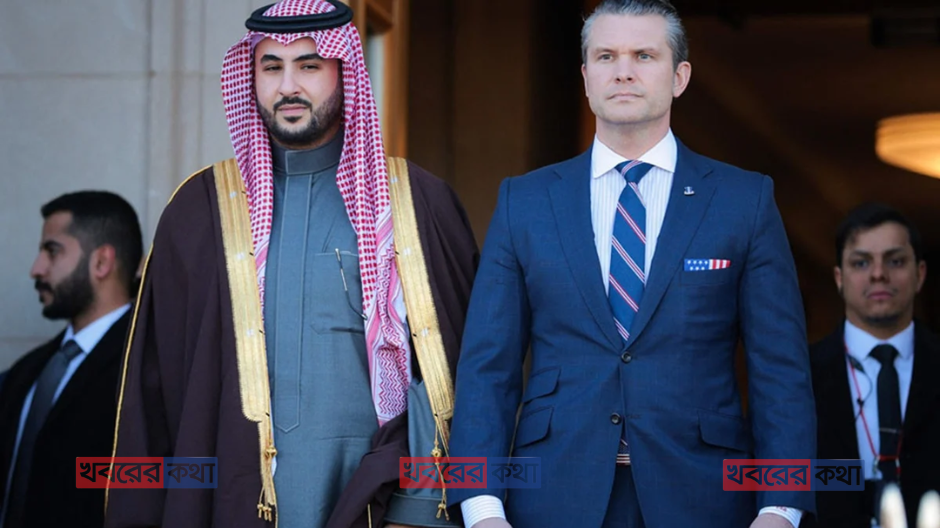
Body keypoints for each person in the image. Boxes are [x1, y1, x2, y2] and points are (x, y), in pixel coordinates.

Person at [104, 1, 479, 527]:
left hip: (374, 504)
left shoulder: (415, 204)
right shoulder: (199, 211)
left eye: (308, 65)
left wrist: (418, 509)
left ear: (344, 71)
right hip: (231, 502)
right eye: (271, 67)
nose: (288, 87)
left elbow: (458, 375)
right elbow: (157, 392)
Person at [446, 1, 816, 527]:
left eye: (644, 55)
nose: (623, 71)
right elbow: (488, 367)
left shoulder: (744, 201)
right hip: (552, 498)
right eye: (606, 56)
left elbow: (780, 370)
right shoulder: (524, 201)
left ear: (679, 77)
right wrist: (481, 507)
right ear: (585, 77)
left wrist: (781, 508)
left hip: (703, 500)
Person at [0, 191, 141, 528]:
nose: (36, 269)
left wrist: (88, 474)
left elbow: (195, 474)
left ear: (101, 262)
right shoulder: (26, 372)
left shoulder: (152, 365)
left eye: (52, 251)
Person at [806, 203, 940, 528]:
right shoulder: (798, 374)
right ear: (839, 277)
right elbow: (755, 474)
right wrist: (850, 477)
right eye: (861, 262)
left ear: (920, 273)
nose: (878, 273)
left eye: (895, 261)